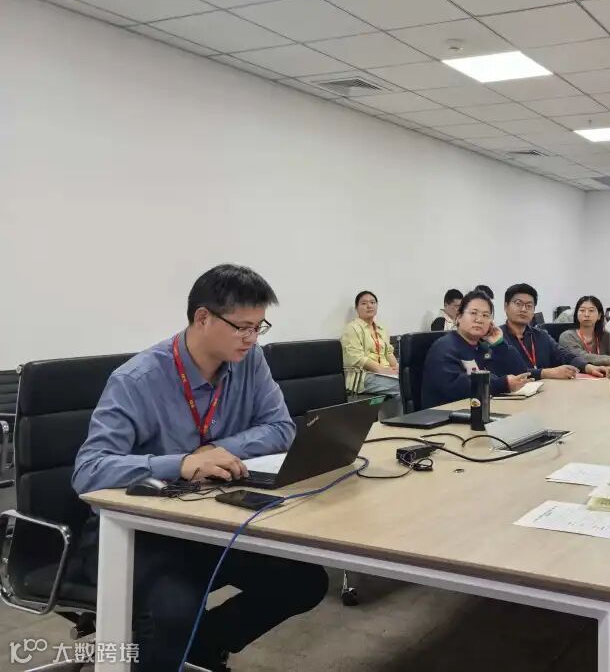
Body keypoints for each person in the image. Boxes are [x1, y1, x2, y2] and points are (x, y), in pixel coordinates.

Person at [72, 264, 328, 672]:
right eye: (242, 327)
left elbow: (281, 428)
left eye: (259, 327)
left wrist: (218, 450)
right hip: (136, 533)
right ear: (203, 318)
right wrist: (184, 463)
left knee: (304, 581)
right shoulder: (137, 380)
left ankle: (202, 648)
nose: (252, 338)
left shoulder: (250, 362)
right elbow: (89, 469)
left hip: (207, 522)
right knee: (175, 610)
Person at [420, 290, 530, 408]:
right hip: (446, 415)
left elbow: (520, 372)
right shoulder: (443, 348)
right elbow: (457, 388)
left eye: (485, 315)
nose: (479, 319)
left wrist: (500, 344)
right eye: (473, 313)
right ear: (459, 317)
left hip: (482, 409)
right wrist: (503, 384)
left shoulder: (484, 348)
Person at [493, 284, 610, 380]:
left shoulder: (541, 335)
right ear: (506, 307)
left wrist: (588, 367)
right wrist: (546, 373)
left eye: (529, 305)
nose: (524, 309)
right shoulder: (496, 338)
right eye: (518, 304)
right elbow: (505, 370)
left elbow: (564, 355)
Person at [341, 291, 401, 416]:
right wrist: (382, 370)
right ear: (357, 308)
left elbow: (388, 352)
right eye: (364, 303)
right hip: (362, 377)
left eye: (372, 302)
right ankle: (397, 424)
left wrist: (397, 368)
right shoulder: (352, 328)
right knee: (403, 386)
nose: (369, 306)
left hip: (383, 374)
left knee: (410, 380)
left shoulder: (381, 329)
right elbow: (357, 358)